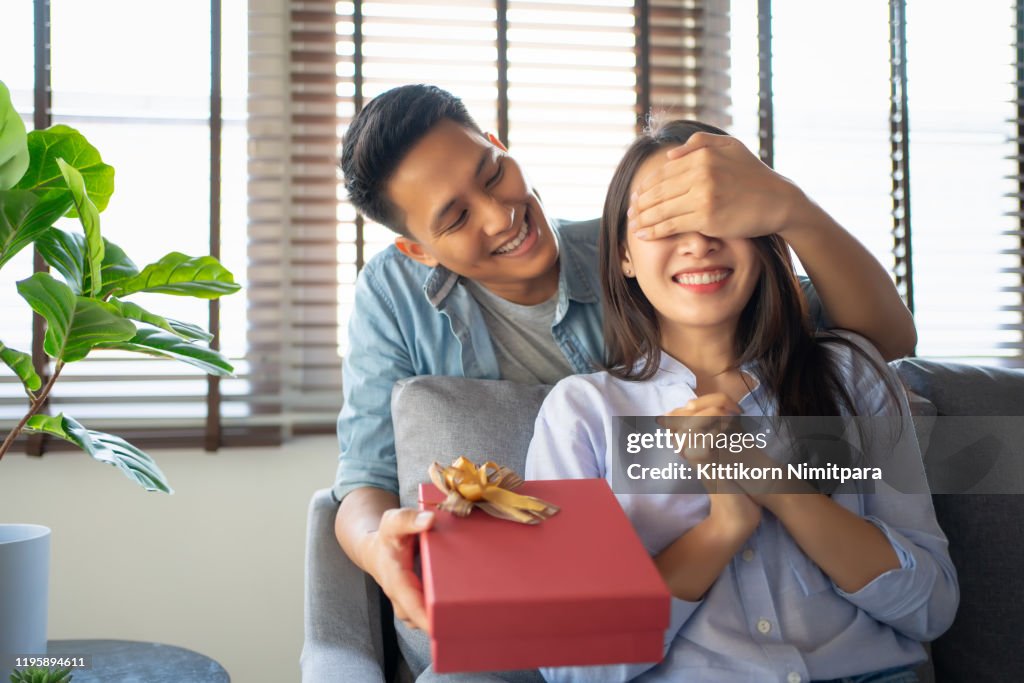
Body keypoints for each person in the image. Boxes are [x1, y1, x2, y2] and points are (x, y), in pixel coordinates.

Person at [332, 83, 917, 664]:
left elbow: (872, 340)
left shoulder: (648, 246)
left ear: (498, 142)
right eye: (456, 217)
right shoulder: (394, 299)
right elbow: (364, 475)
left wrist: (791, 208)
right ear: (419, 250)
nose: (500, 213)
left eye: (492, 174)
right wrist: (375, 547)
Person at [524, 119, 957, 682]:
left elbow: (932, 608)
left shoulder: (851, 374)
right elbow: (572, 666)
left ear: (762, 234)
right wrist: (724, 524)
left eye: (719, 217)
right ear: (623, 256)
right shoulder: (580, 413)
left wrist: (773, 484)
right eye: (664, 222)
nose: (698, 241)